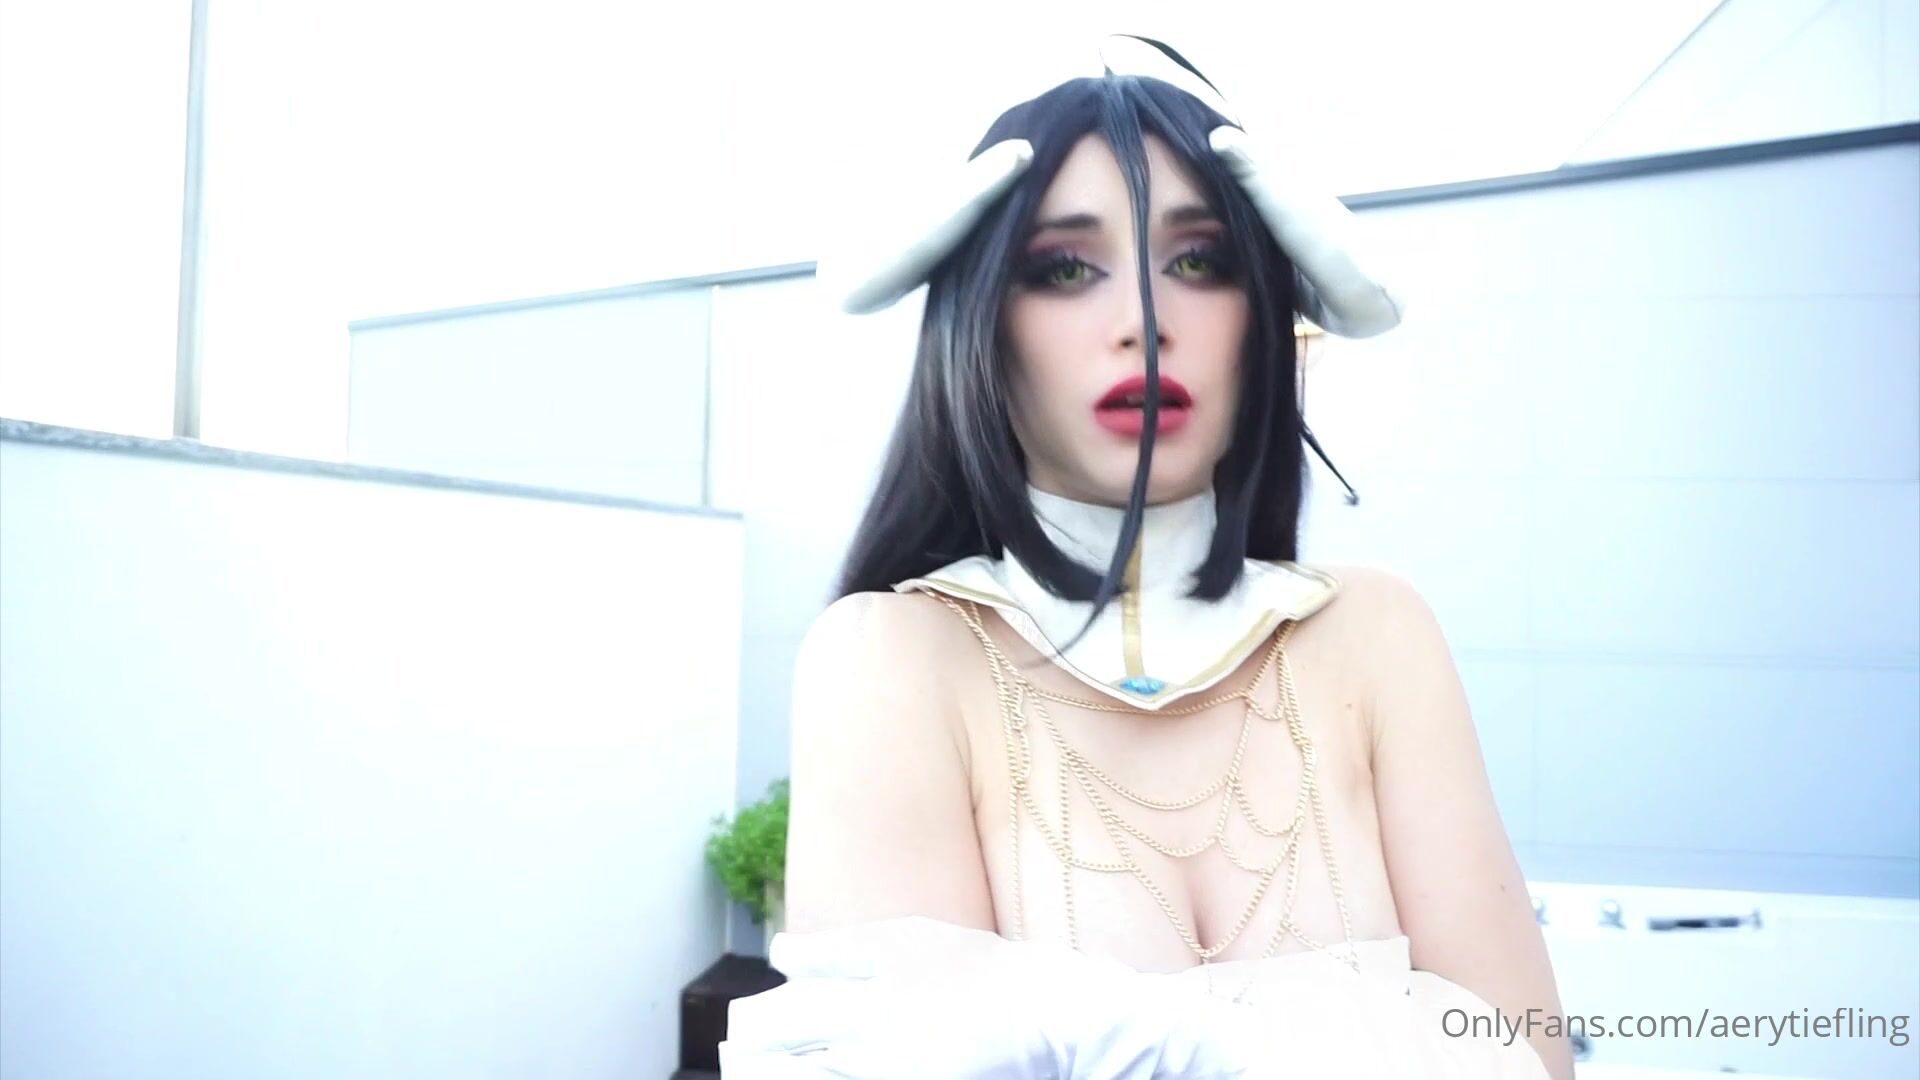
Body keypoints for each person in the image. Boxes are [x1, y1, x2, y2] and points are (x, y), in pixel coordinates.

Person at [721, 35, 1573, 1079]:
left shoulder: (1375, 633)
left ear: (1265, 315)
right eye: (1063, 268)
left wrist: (1151, 1040)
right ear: (981, 325)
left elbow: (1531, 1063)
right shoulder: (892, 656)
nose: (1147, 322)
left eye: (1200, 262)